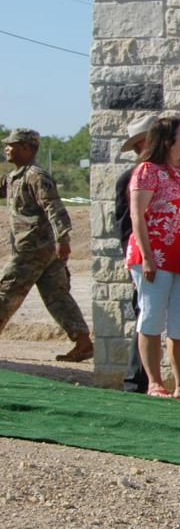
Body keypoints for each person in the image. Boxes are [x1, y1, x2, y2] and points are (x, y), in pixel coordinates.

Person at [115, 116, 180, 394]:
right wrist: (147, 257)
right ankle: (153, 382)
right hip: (155, 257)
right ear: (168, 142)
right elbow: (137, 216)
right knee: (151, 318)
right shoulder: (147, 170)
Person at [0, 128, 93, 361]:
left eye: (11, 145)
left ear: (26, 148)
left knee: (5, 292)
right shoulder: (15, 177)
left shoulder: (36, 176)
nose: (6, 149)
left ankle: (83, 343)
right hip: (42, 250)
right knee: (58, 297)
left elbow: (55, 208)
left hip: (32, 250)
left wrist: (63, 239)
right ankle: (83, 343)